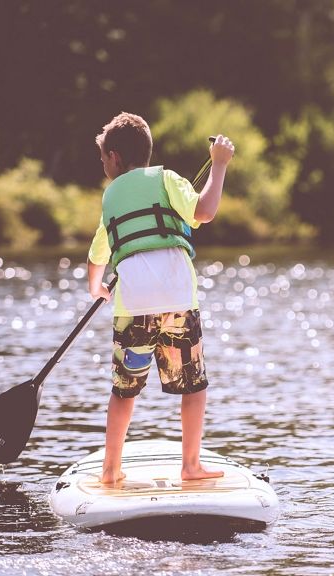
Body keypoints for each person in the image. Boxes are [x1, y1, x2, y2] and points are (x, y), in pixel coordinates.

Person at [86, 111, 233, 485]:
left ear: (115, 157)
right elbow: (205, 210)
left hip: (132, 306)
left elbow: (97, 256)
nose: (103, 164)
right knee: (193, 385)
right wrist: (218, 167)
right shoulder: (167, 179)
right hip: (178, 301)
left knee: (124, 391)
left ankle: (110, 470)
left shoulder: (110, 197)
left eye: (103, 158)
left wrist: (96, 288)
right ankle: (191, 466)